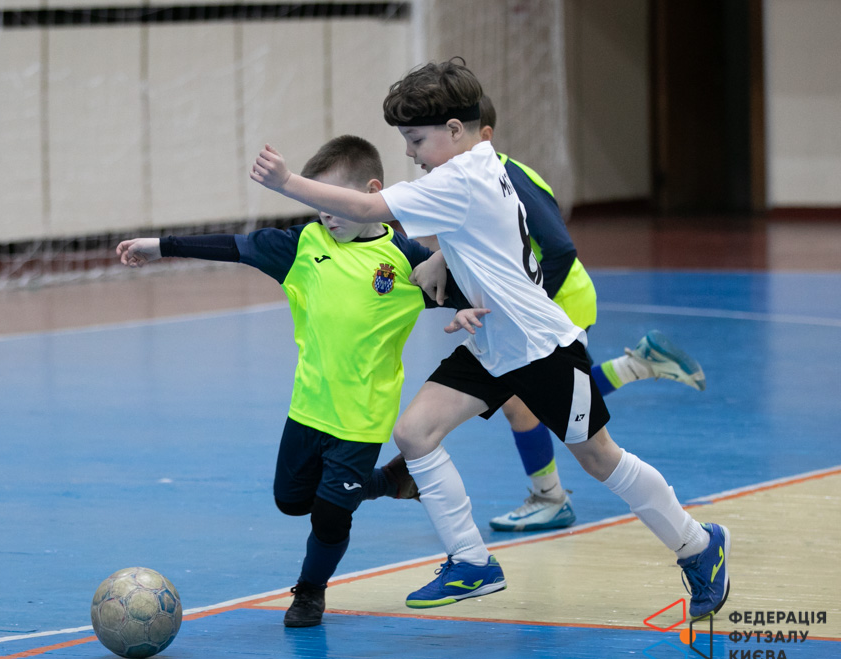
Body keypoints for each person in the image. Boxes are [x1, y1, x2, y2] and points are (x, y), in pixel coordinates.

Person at [248, 59, 730, 621]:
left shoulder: (458, 178)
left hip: (540, 348)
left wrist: (287, 182)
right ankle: (472, 562)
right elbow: (481, 232)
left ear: (455, 129)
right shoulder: (479, 163)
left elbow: (369, 207)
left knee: (600, 459)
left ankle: (699, 544)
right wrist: (442, 258)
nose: (411, 153)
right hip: (492, 344)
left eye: (416, 140)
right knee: (415, 433)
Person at [118, 135, 463, 628]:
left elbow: (466, 287)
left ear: (372, 193)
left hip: (363, 419)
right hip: (307, 409)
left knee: (330, 515)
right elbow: (234, 248)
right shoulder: (303, 245)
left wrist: (467, 305)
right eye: (317, 203)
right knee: (292, 501)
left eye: (334, 202)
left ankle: (310, 592)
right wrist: (160, 247)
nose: (326, 214)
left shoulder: (408, 261)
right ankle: (389, 480)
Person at [415, 94, 707, 533]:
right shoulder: (468, 182)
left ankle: (549, 498)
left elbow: (560, 249)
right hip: (538, 303)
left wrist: (526, 306)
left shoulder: (508, 178)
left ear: (478, 135)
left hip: (556, 299)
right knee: (552, 399)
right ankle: (636, 366)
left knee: (524, 405)